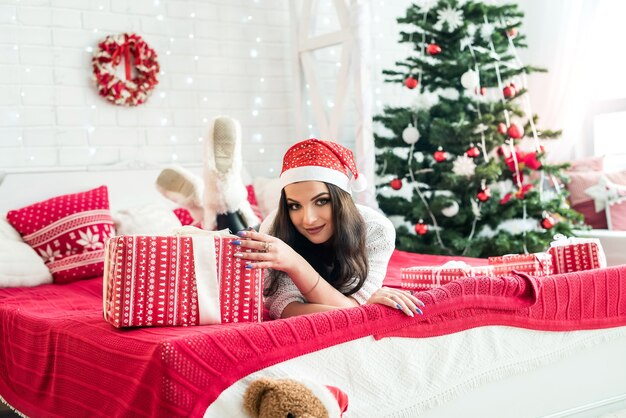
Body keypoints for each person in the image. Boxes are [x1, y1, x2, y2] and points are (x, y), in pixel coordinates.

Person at [231, 138, 424, 319]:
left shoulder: (377, 230)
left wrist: (294, 263)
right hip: (257, 229)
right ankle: (227, 199)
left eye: (322, 201)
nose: (309, 219)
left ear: (342, 199)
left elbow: (353, 308)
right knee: (231, 227)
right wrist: (354, 307)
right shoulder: (276, 227)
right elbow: (284, 308)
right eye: (295, 205)